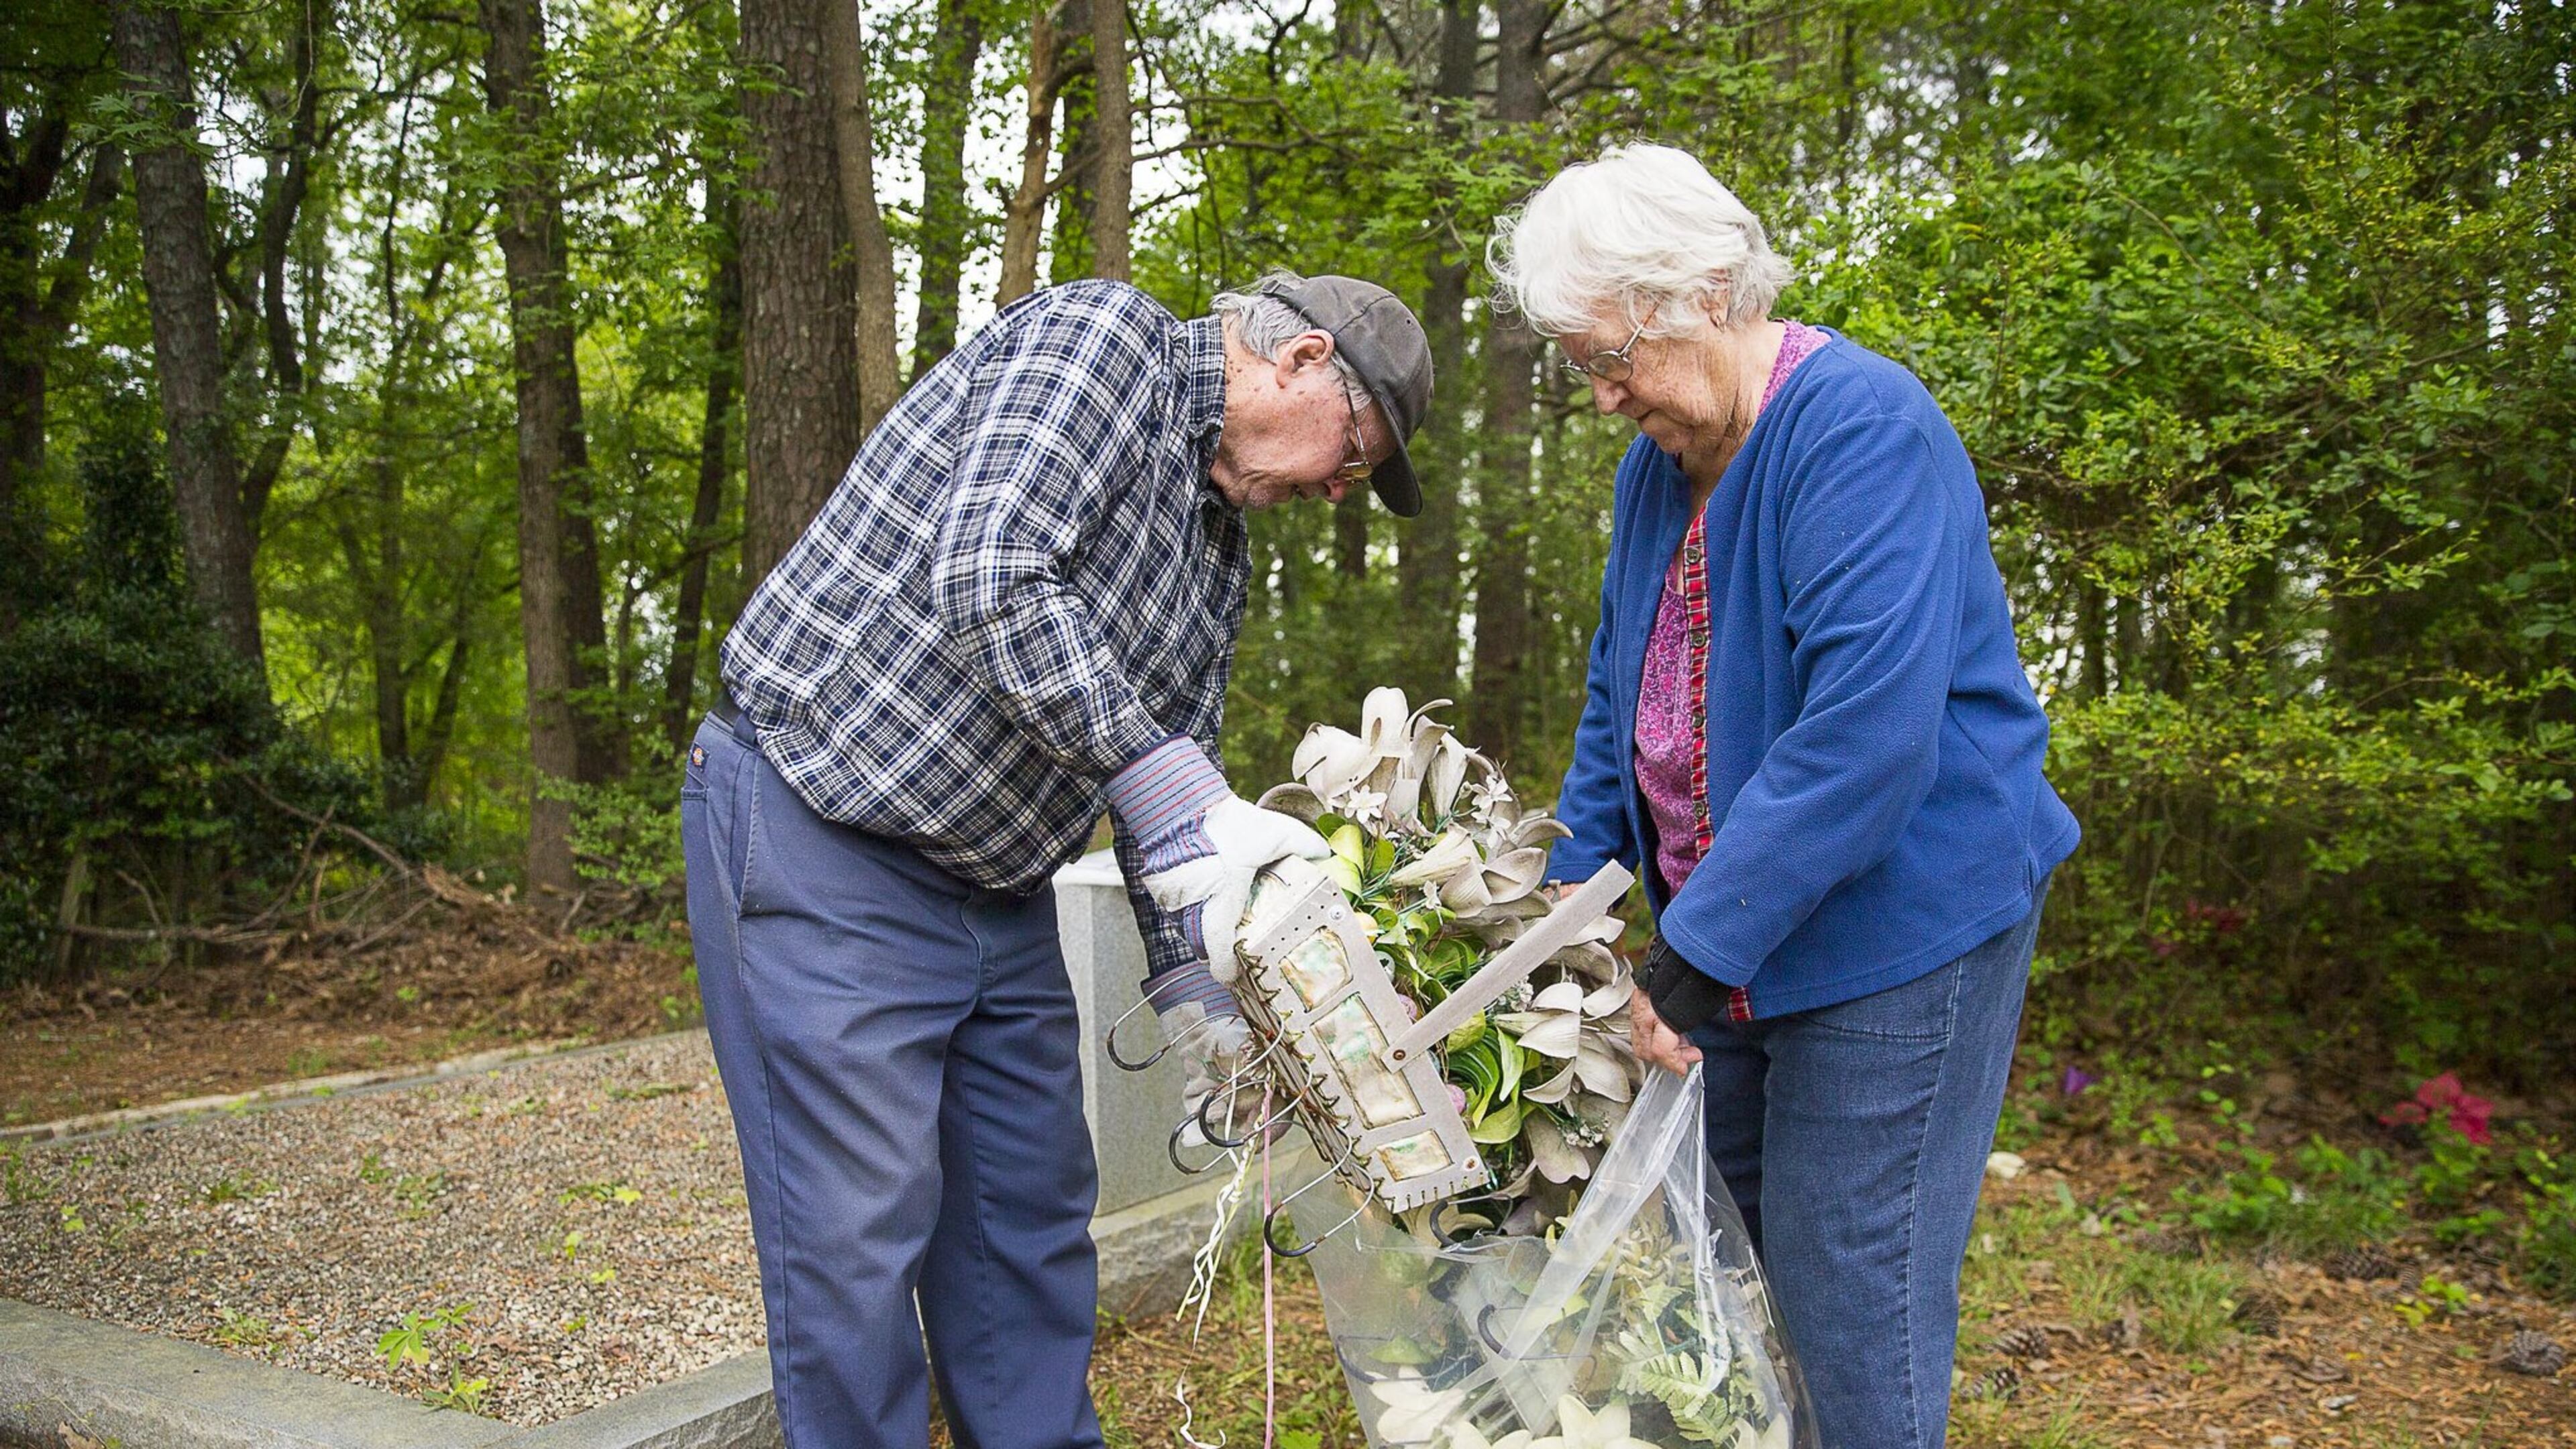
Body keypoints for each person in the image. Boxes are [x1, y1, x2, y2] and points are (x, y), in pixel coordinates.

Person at [682, 272, 1434, 1449]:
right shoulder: (1107, 341)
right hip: (823, 832)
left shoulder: (1218, 550)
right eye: (1354, 450)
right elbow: (993, 573)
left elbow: (1170, 808)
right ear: (1299, 363)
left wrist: (1208, 1011)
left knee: (1025, 1226)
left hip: (996, 886)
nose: (1340, 488)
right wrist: (1178, 782)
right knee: (857, 1243)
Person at [1491, 145, 2081, 1449]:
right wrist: (1549, 927)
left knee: (1845, 1296)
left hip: (1896, 938)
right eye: (1585, 366)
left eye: (1610, 358)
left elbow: (1865, 744)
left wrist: (1679, 968)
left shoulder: (1859, 431)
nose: (1600, 396)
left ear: (1698, 296)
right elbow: (1614, 714)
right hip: (1741, 943)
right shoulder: (1658, 470)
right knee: (1722, 1282)